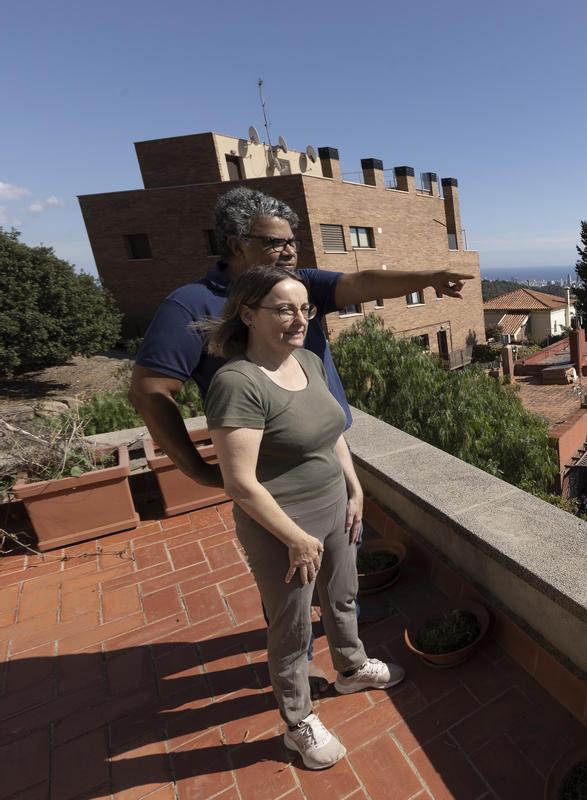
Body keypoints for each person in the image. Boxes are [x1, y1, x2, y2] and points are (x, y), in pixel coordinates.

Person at [129, 187, 473, 676]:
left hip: (328, 451)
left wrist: (432, 278)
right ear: (234, 244)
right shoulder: (192, 305)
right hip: (269, 472)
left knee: (340, 565)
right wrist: (199, 471)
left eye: (293, 242)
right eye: (274, 242)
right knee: (287, 582)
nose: (289, 252)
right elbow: (149, 392)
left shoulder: (300, 284)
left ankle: (346, 650)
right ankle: (297, 673)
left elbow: (363, 281)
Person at [203, 265, 398, 770]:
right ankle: (298, 721)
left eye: (304, 309)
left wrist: (354, 488)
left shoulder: (308, 360)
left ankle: (350, 669)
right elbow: (239, 481)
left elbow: (332, 432)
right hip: (280, 526)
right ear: (248, 313)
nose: (298, 318)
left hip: (334, 504)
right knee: (290, 628)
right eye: (284, 308)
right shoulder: (237, 383)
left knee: (342, 596)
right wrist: (294, 536)